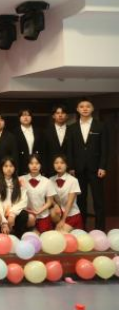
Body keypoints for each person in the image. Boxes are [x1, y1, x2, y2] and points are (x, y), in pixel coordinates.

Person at [67, 98, 109, 230]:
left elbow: (105, 148)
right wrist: (71, 167)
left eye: (88, 106)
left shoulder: (100, 126)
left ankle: (100, 229)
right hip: (78, 169)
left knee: (98, 200)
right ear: (77, 109)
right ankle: (81, 229)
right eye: (82, 106)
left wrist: (102, 166)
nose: (85, 109)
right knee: (80, 201)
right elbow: (70, 149)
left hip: (96, 169)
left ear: (92, 109)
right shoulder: (71, 128)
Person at [0, 157, 29, 238]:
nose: (8, 168)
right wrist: (4, 222)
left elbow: (23, 201)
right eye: (6, 166)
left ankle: (18, 237)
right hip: (1, 213)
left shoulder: (20, 181)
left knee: (24, 214)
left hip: (14, 213)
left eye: (11, 166)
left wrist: (12, 214)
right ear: (1, 168)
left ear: (15, 168)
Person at [21, 154, 56, 233]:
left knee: (44, 238)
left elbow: (49, 201)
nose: (34, 166)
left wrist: (39, 211)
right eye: (31, 163)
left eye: (37, 163)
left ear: (41, 165)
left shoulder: (47, 181)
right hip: (27, 216)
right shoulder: (21, 179)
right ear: (28, 165)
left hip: (42, 215)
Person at [50, 154, 83, 232]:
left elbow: (70, 203)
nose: (59, 165)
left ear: (66, 165)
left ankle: (70, 227)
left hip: (71, 214)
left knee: (59, 235)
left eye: (62, 163)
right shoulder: (50, 180)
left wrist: (63, 220)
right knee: (52, 212)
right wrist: (55, 205)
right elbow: (50, 198)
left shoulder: (73, 180)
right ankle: (58, 226)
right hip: (60, 213)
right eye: (56, 163)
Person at [43, 104, 71, 177]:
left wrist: (72, 167)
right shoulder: (46, 131)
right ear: (53, 116)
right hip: (50, 168)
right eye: (57, 113)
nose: (60, 115)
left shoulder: (72, 130)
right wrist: (44, 169)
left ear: (67, 116)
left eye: (63, 113)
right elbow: (44, 152)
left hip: (68, 168)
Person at [14, 108, 45, 176]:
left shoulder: (39, 131)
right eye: (23, 115)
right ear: (19, 118)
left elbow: (43, 149)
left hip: (36, 164)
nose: (26, 117)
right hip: (21, 165)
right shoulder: (14, 133)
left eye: (28, 115)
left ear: (31, 117)